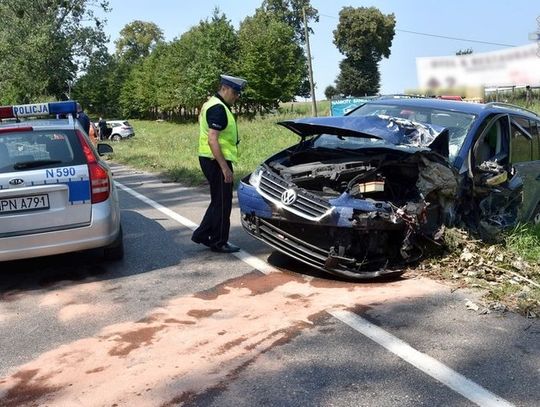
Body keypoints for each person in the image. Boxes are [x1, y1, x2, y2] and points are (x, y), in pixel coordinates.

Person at [191, 74, 247, 253]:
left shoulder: (212, 104)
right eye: (235, 92)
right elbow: (213, 139)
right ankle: (219, 241)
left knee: (218, 200)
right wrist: (225, 168)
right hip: (215, 160)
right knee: (223, 203)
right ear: (225, 88)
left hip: (210, 158)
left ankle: (202, 234)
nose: (237, 96)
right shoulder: (218, 108)